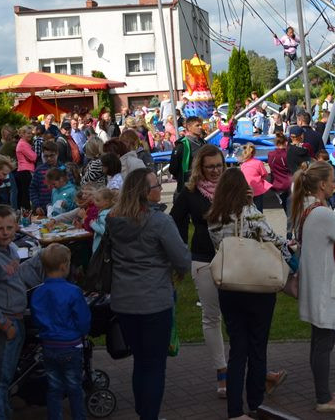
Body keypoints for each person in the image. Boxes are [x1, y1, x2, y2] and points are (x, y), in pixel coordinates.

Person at [108, 168, 191, 419]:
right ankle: (149, 415)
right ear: (145, 193)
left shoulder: (113, 218)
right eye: (156, 186)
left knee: (141, 362)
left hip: (124, 301)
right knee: (154, 365)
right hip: (154, 301)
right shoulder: (159, 221)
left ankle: (145, 412)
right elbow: (182, 260)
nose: (159, 190)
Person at [207, 168, 290, 419]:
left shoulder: (214, 217)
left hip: (229, 285)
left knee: (237, 349)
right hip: (257, 286)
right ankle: (255, 402)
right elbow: (276, 242)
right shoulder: (251, 214)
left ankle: (234, 410)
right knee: (257, 346)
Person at [291, 161, 335, 413]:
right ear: (322, 184)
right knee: (323, 343)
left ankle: (324, 392)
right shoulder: (322, 212)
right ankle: (323, 398)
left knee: (319, 341)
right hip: (324, 286)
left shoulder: (307, 208)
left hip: (315, 282)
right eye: (332, 179)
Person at [170, 144, 230, 398]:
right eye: (210, 167)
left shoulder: (233, 188)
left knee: (239, 316)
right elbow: (175, 224)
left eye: (219, 165)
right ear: (200, 168)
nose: (215, 171)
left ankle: (255, 370)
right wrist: (180, 257)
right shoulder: (190, 193)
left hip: (236, 257)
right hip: (203, 257)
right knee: (211, 316)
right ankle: (222, 372)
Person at [0, 204, 44, 419]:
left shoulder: (11, 250)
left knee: (7, 375)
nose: (5, 233)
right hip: (2, 326)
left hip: (16, 320)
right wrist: (4, 326)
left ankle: (3, 410)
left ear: (16, 226)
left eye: (9, 227)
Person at [31, 244, 91, 420]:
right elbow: (83, 318)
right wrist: (83, 332)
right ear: (65, 266)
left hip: (49, 345)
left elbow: (36, 318)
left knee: (54, 387)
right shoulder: (73, 291)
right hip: (71, 345)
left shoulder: (38, 292)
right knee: (74, 387)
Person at [170, 116, 205, 197]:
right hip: (187, 186)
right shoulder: (182, 145)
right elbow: (173, 168)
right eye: (197, 125)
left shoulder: (203, 143)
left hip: (203, 186)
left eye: (201, 125)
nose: (200, 127)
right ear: (189, 127)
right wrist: (183, 177)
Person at [29, 140, 64, 214]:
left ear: (57, 153)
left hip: (62, 210)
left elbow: (71, 188)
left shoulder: (64, 169)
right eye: (46, 156)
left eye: (52, 155)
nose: (49, 158)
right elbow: (33, 189)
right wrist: (37, 205)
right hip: (43, 210)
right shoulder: (39, 170)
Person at [239, 144, 274, 212]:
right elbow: (264, 174)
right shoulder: (258, 163)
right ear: (254, 153)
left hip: (247, 189)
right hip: (257, 189)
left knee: (248, 209)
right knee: (258, 209)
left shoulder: (243, 165)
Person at [266, 134, 293, 216]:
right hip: (289, 184)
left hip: (278, 185)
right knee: (292, 211)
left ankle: (290, 226)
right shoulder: (288, 154)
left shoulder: (271, 155)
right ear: (286, 142)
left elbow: (272, 168)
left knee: (286, 208)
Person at [15, 125, 37, 210]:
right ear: (23, 134)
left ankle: (26, 212)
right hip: (25, 171)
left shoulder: (24, 143)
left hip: (24, 170)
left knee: (24, 193)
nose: (30, 135)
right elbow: (33, 157)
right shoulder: (23, 144)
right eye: (28, 133)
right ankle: (27, 212)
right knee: (26, 194)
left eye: (31, 133)